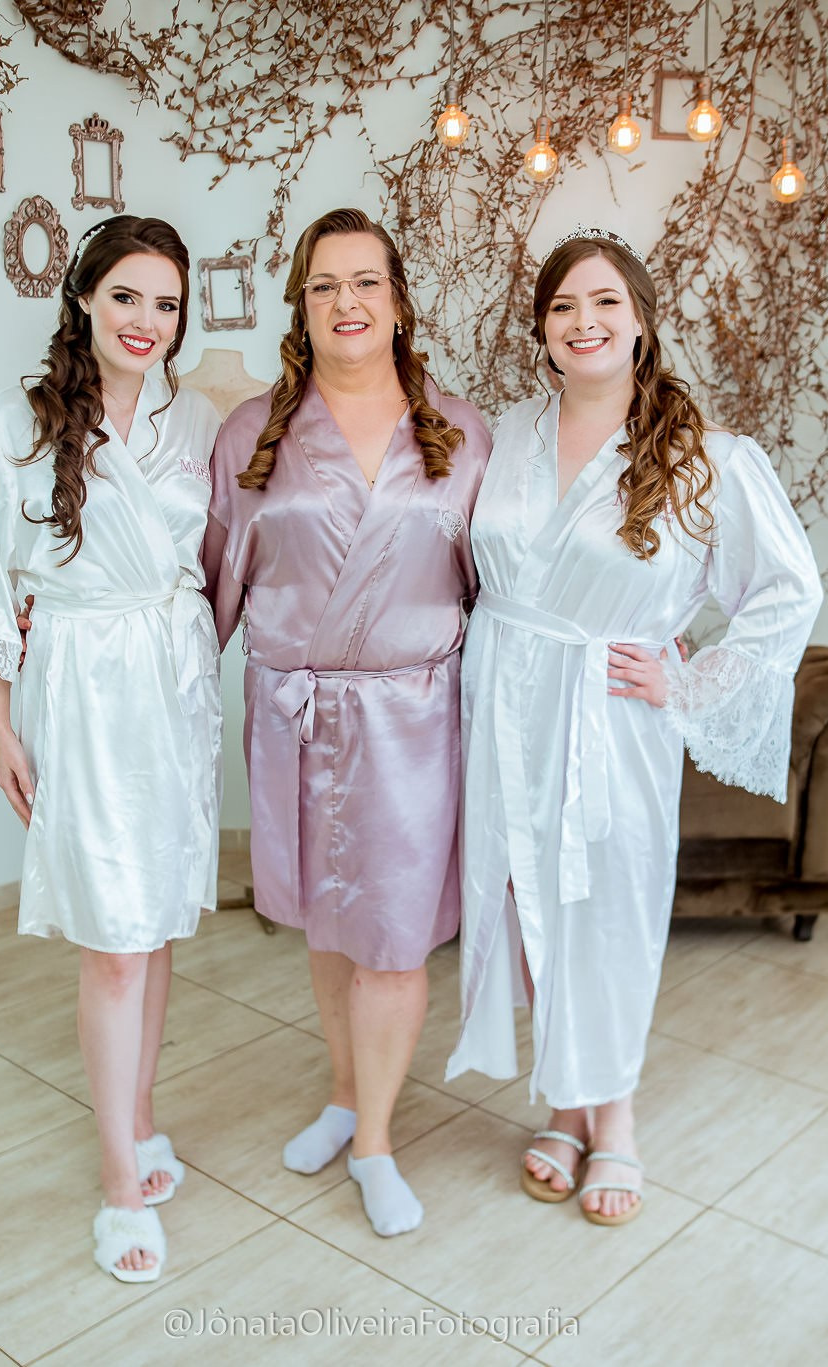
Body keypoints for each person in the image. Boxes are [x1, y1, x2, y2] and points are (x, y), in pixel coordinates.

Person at [444, 228, 823, 1226]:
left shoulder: (707, 456)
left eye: (605, 301)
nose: (584, 321)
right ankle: (564, 1104)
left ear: (642, 320)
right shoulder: (507, 434)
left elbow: (788, 589)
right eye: (563, 305)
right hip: (505, 703)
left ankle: (612, 1118)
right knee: (529, 896)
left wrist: (688, 681)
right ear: (541, 327)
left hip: (610, 712)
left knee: (606, 906)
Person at [202, 208, 491, 1238]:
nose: (346, 302)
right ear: (301, 304)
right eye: (323, 284)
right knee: (328, 924)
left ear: (398, 300)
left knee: (393, 940)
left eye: (365, 281)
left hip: (415, 719)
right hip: (296, 716)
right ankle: (341, 1092)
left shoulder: (460, 431)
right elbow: (205, 586)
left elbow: (501, 585)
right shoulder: (252, 431)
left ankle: (373, 1139)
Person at [0, 216, 222, 1285]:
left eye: (166, 304)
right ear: (81, 297)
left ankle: (140, 1118)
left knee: (151, 925)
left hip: (174, 682)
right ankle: (119, 1182)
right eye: (125, 296)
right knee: (112, 937)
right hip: (80, 683)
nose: (145, 322)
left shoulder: (194, 416)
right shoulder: (17, 421)